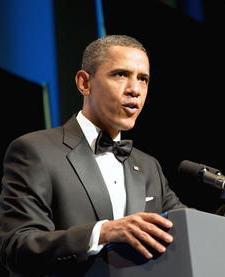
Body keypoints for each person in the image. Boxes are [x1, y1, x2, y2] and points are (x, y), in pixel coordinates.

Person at [0, 34, 186, 276]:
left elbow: (187, 229)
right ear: (84, 83)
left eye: (143, 79)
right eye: (120, 74)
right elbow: (16, 247)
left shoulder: (148, 166)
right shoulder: (35, 151)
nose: (134, 90)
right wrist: (103, 232)